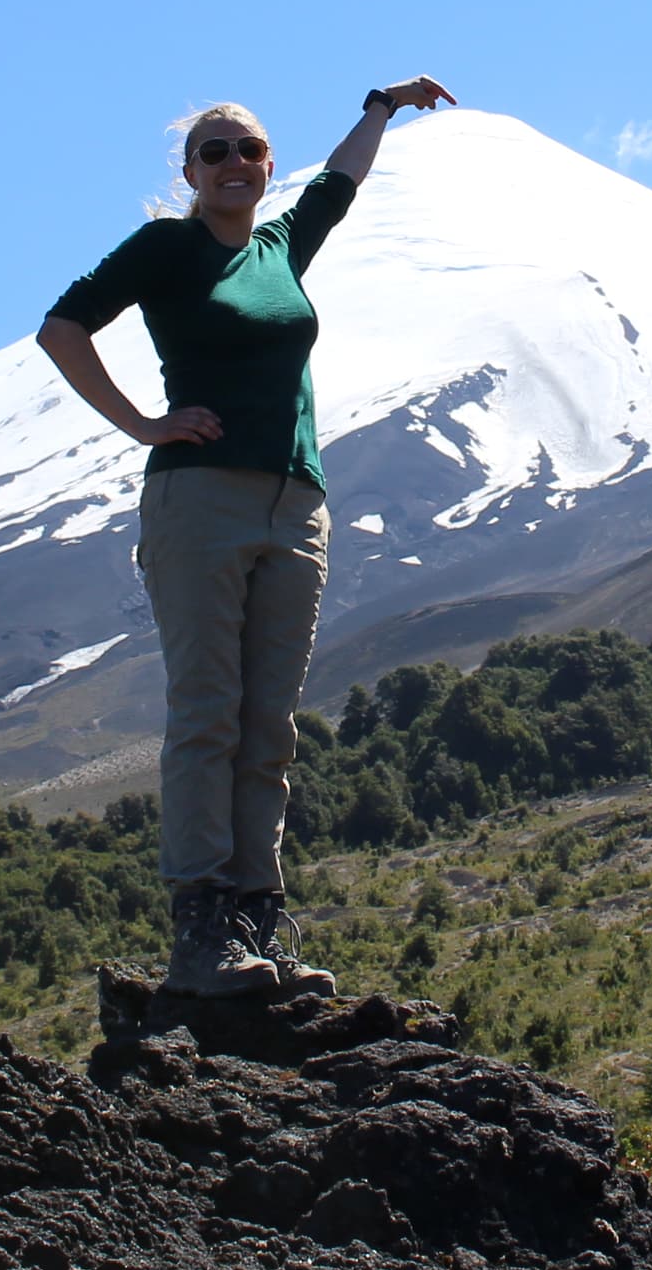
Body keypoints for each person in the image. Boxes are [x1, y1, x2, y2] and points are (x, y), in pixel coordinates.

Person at [38, 77, 454, 996]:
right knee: (207, 712)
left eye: (249, 150)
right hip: (200, 501)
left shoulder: (280, 247)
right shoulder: (165, 248)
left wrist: (381, 107)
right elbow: (62, 327)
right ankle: (201, 931)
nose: (234, 163)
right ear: (189, 172)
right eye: (215, 152)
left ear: (269, 165)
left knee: (268, 724)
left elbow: (337, 187)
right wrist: (143, 425)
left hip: (296, 505)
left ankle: (257, 919)